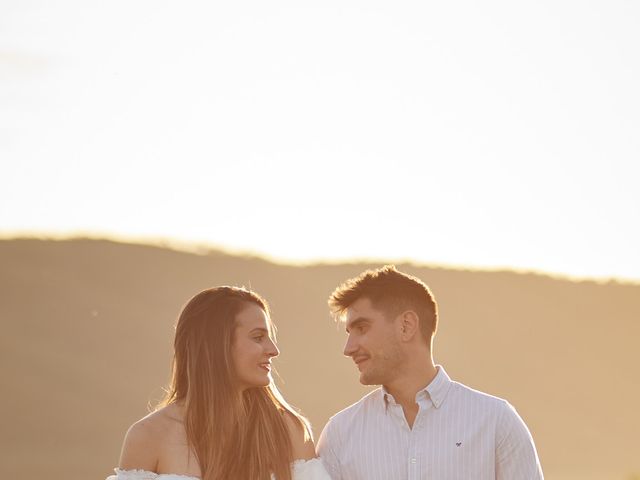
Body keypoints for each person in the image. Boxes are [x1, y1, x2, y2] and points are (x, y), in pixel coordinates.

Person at [317, 266, 543, 480]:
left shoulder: (496, 422)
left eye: (361, 328)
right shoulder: (339, 435)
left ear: (406, 325)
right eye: (349, 332)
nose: (349, 348)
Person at [107, 286, 331, 480]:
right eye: (258, 337)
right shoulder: (149, 435)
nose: (274, 350)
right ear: (216, 344)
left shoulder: (289, 429)